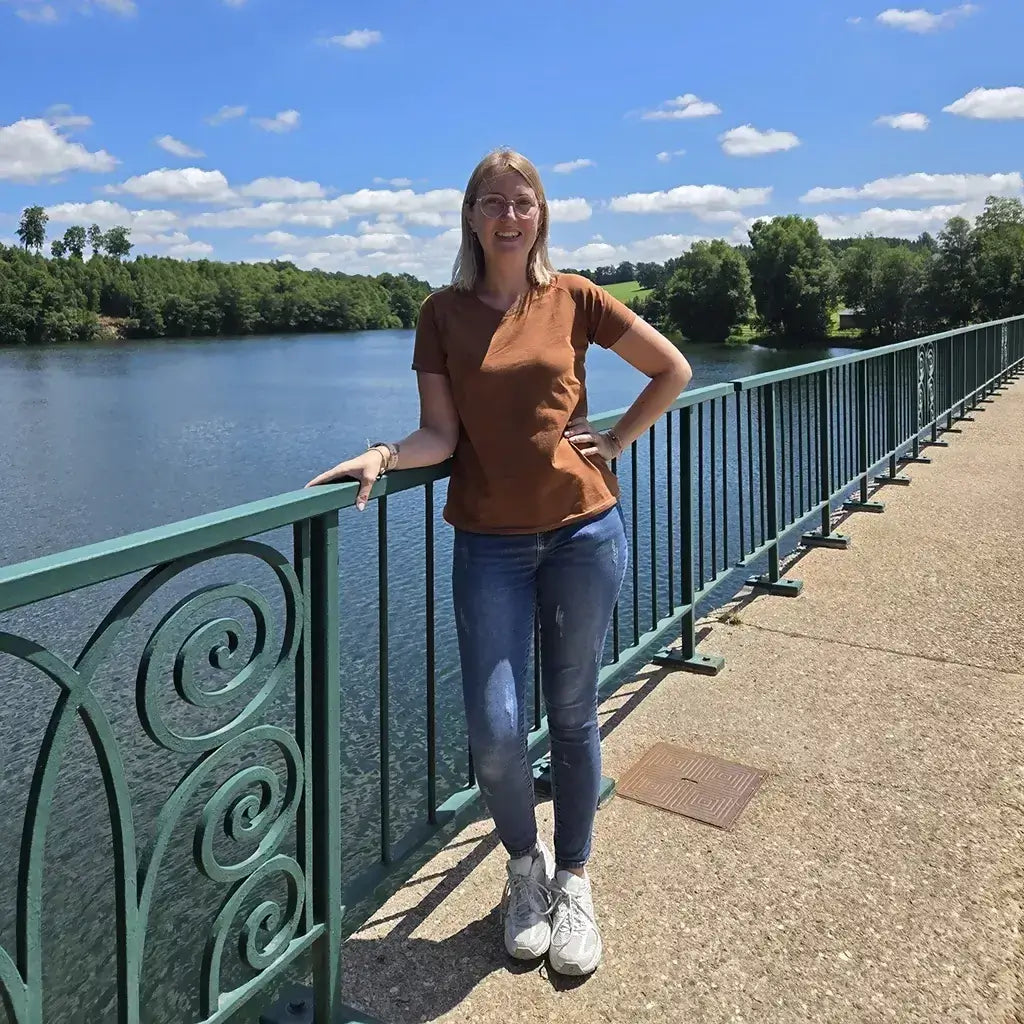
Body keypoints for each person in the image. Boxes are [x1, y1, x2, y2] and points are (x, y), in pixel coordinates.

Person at [307, 148, 692, 976]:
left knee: (574, 712)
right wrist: (384, 454)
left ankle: (575, 879)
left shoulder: (576, 297)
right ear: (472, 217)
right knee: (494, 728)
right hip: (490, 543)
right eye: (493, 202)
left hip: (585, 532)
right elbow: (439, 434)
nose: (509, 216)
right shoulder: (441, 314)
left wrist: (618, 438)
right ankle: (525, 868)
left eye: (523, 202)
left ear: (540, 214)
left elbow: (673, 370)